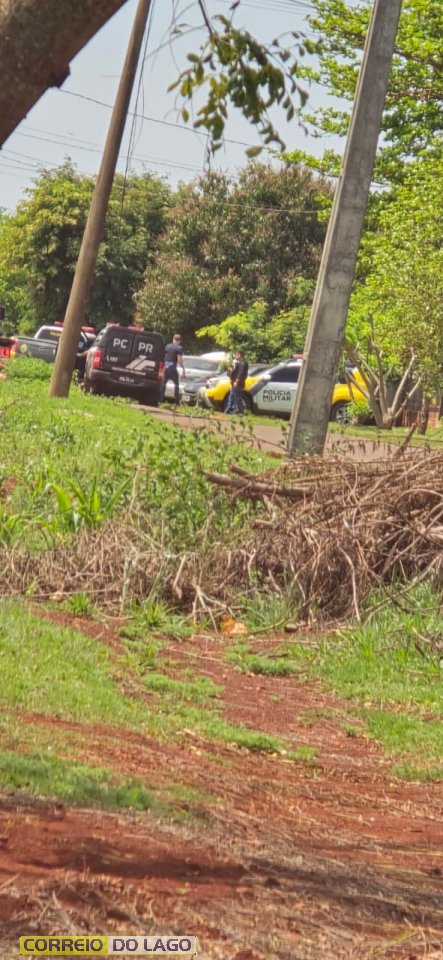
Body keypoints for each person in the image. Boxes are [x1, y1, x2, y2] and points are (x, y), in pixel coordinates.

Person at [160, 334, 186, 405]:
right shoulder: (179, 348)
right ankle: (176, 401)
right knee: (176, 385)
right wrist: (183, 369)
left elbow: (164, 356)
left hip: (166, 367)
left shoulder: (167, 346)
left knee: (163, 384)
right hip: (172, 368)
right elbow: (179, 359)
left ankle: (161, 399)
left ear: (173, 339)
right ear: (179, 341)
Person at [224, 349, 249, 414]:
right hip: (233, 382)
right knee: (231, 397)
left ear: (239, 354)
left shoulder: (243, 363)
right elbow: (230, 372)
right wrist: (232, 366)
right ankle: (227, 411)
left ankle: (241, 410)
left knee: (236, 398)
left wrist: (237, 380)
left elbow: (241, 373)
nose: (235, 356)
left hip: (238, 383)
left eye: (236, 354)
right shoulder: (236, 363)